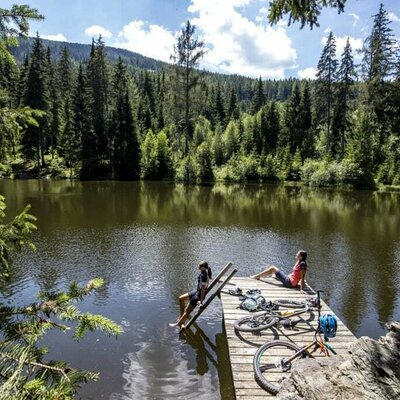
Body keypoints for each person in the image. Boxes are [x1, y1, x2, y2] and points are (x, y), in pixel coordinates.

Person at [169, 261, 212, 329]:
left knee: (187, 311)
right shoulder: (203, 273)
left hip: (198, 296)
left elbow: (203, 289)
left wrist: (201, 301)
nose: (198, 267)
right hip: (196, 291)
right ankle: (181, 317)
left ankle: (179, 324)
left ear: (203, 267)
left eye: (199, 266)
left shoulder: (204, 275)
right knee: (181, 298)